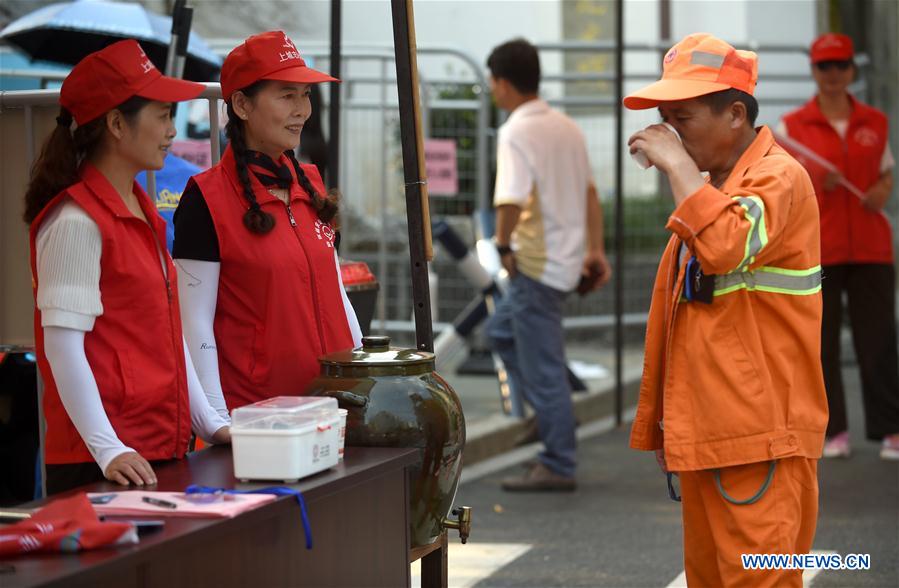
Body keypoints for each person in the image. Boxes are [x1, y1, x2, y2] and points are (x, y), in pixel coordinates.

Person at [625, 33, 828, 586]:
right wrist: (672, 431)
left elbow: (725, 244)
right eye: (665, 118)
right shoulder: (720, 186)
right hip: (718, 434)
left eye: (682, 117)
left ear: (735, 114)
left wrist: (675, 166)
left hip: (760, 439)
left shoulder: (778, 177)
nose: (669, 133)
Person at [23, 40, 230, 495]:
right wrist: (108, 448)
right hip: (102, 465)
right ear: (117, 123)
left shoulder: (143, 212)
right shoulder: (76, 220)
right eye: (161, 115)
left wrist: (209, 423)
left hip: (153, 450)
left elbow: (167, 334)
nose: (172, 131)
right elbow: (62, 348)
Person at [173, 31, 362, 418]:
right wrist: (215, 420)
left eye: (305, 95)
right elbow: (194, 323)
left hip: (337, 407)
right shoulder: (205, 198)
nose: (302, 110)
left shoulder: (310, 182)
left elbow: (337, 294)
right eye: (286, 95)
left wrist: (364, 371)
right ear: (242, 104)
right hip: (259, 420)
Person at [483, 38, 611, 492]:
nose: (492, 91)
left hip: (535, 264)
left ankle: (557, 459)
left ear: (502, 82)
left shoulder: (517, 129)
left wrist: (501, 246)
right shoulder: (566, 127)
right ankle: (555, 410)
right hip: (567, 260)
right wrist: (595, 250)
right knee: (500, 333)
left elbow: (510, 198)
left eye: (492, 82)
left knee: (540, 364)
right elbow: (591, 194)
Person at [778, 33, 899, 460]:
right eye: (824, 66)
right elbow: (783, 185)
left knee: (880, 340)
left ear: (851, 70)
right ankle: (832, 431)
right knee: (820, 344)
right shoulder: (791, 127)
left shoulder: (874, 121)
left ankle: (890, 430)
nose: (833, 74)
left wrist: (883, 190)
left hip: (871, 249)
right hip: (819, 248)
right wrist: (816, 178)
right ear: (813, 71)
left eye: (840, 66)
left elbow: (886, 172)